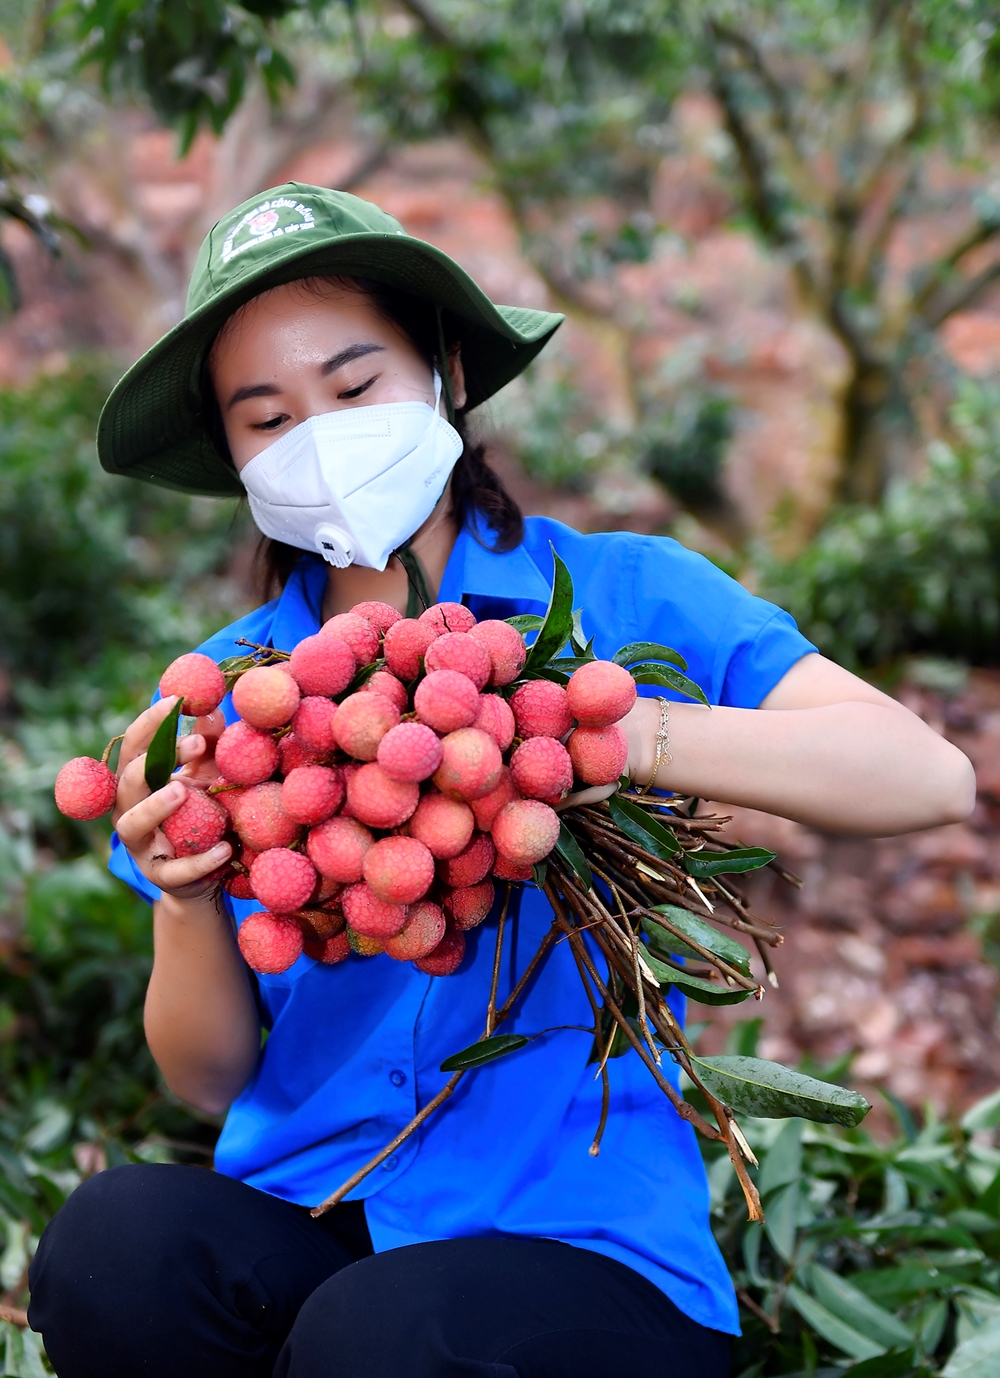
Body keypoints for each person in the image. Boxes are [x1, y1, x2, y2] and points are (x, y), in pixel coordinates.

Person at [27, 184, 975, 1378]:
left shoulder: (625, 603)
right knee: (117, 1248)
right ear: (234, 458)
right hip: (326, 1209)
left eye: (355, 386)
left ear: (451, 374)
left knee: (380, 1337)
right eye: (267, 417)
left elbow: (925, 776)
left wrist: (617, 738)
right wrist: (184, 897)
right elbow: (208, 1078)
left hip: (577, 1250)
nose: (317, 433)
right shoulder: (222, 707)